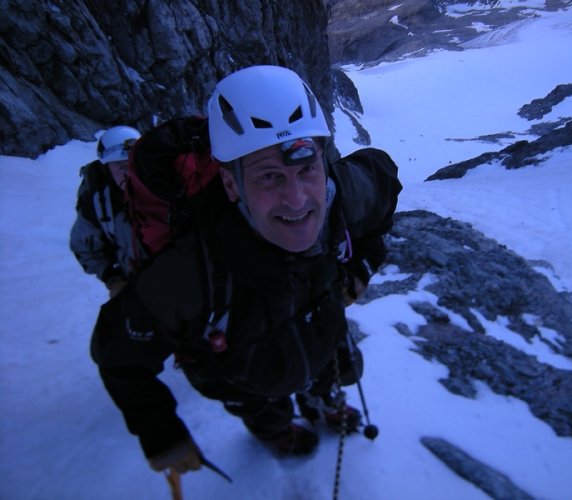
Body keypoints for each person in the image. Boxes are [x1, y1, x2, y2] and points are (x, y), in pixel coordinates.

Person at [90, 65, 402, 474]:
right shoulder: (187, 271)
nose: (297, 199)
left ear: (323, 162)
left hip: (318, 327)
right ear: (231, 184)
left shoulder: (340, 194)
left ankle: (321, 403)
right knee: (260, 403)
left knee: (323, 371)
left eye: (307, 169)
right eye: (269, 176)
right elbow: (118, 356)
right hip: (240, 372)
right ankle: (275, 430)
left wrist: (359, 266)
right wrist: (160, 433)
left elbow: (384, 188)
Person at [70, 126, 142, 298]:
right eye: (121, 167)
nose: (129, 173)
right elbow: (84, 247)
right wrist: (113, 279)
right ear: (107, 168)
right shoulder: (96, 203)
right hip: (135, 285)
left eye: (134, 165)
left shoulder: (167, 187)